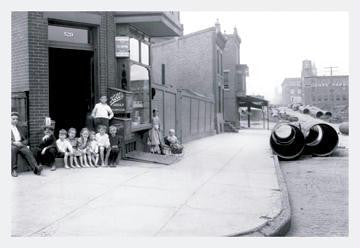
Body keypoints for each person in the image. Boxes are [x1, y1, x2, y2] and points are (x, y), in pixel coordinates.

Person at [11, 112, 42, 177]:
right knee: (13, 149)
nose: (15, 120)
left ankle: (36, 169)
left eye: (16, 119)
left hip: (20, 144)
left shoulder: (19, 128)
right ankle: (14, 170)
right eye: (13, 119)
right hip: (12, 144)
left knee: (27, 151)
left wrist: (24, 142)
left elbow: (23, 138)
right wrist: (13, 142)